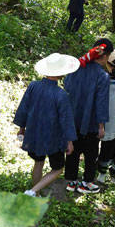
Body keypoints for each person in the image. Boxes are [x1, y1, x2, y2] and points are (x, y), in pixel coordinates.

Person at [13, 54, 79, 197]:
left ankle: (34, 193)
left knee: (38, 162)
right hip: (54, 137)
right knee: (58, 169)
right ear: (61, 73)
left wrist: (21, 129)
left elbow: (23, 108)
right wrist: (69, 141)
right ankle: (32, 191)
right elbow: (66, 120)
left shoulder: (33, 86)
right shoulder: (61, 94)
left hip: (35, 132)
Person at [63, 39, 113, 194]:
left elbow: (66, 85)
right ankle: (87, 182)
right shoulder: (103, 76)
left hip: (73, 117)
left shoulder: (77, 68)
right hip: (90, 121)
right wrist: (101, 126)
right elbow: (101, 102)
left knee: (73, 150)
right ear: (104, 56)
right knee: (91, 153)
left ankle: (71, 181)